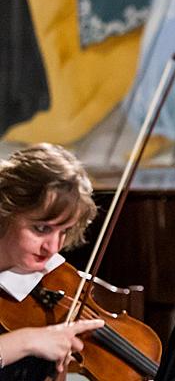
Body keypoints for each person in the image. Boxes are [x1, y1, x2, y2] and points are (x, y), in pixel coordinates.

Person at [0, 144, 105, 379]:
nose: (53, 247)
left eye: (64, 231)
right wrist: (27, 341)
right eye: (41, 228)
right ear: (4, 210)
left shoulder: (52, 278)